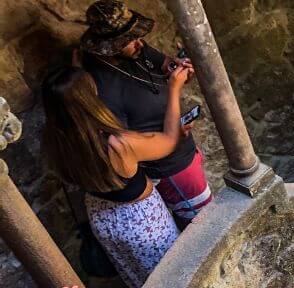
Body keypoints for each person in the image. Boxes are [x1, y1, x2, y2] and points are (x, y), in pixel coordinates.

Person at [42, 65, 185, 288]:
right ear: (88, 99)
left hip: (103, 218)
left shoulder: (56, 142)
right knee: (172, 282)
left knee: (142, 283)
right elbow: (169, 140)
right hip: (141, 222)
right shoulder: (118, 144)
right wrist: (174, 89)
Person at [79, 0, 212, 226]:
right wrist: (174, 89)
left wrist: (176, 66)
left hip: (183, 151)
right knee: (204, 223)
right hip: (169, 166)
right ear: (110, 46)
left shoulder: (136, 51)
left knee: (202, 212)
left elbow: (163, 64)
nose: (139, 43)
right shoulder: (102, 87)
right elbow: (123, 147)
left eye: (136, 35)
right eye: (129, 40)